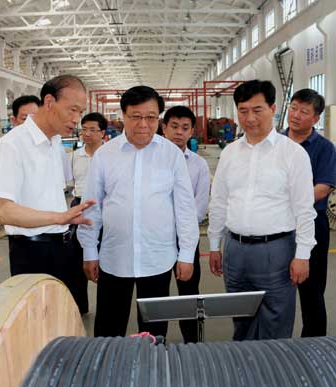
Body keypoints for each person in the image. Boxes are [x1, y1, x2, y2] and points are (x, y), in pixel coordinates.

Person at [78, 86, 199, 338]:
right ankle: (109, 363)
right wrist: (89, 250)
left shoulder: (171, 155)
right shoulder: (105, 155)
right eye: (136, 116)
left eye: (151, 117)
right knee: (109, 331)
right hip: (115, 257)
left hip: (158, 258)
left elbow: (185, 208)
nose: (143, 124)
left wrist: (187, 253)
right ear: (123, 115)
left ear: (158, 119)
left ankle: (151, 363)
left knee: (154, 332)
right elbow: (92, 206)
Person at [208, 80, 316, 341]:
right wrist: (214, 244)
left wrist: (302, 255)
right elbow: (219, 200)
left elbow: (304, 209)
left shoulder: (292, 154)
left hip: (276, 252)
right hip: (235, 250)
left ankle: (273, 367)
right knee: (241, 318)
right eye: (243, 111)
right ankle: (244, 366)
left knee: (275, 322)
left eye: (257, 110)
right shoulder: (230, 153)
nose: (250, 118)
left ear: (273, 109)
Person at [0, 75, 95, 314]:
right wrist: (59, 217)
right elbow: (4, 211)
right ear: (49, 102)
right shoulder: (13, 144)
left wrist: (65, 219)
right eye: (72, 110)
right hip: (32, 253)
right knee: (38, 320)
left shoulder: (55, 142)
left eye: (80, 112)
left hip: (61, 245)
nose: (76, 119)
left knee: (63, 317)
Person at [286, 89, 336, 337]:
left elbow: (323, 187)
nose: (296, 115)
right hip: (277, 225)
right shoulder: (274, 143)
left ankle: (314, 346)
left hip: (313, 224)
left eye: (304, 111)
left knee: (312, 289)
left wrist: (285, 202)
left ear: (316, 118)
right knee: (276, 289)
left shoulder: (324, 148)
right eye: (293, 108)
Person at [162, 105, 211, 343]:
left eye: (184, 128)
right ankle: (153, 342)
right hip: (156, 239)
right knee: (157, 294)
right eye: (174, 126)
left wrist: (184, 233)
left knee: (189, 294)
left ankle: (193, 344)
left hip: (187, 239)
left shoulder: (199, 165)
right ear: (164, 128)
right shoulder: (151, 160)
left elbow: (200, 206)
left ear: (191, 132)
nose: (179, 132)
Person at [67, 112, 108, 315]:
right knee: (77, 257)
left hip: (105, 207)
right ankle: (80, 306)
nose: (87, 133)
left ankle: (107, 306)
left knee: (106, 257)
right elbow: (68, 184)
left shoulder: (110, 155)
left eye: (93, 129)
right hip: (80, 206)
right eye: (84, 129)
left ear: (103, 133)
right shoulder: (74, 156)